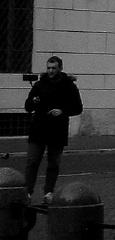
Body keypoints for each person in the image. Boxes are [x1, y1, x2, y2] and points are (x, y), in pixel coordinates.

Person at [21, 55, 82, 203]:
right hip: (39, 128)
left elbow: (78, 107)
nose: (50, 71)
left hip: (57, 130)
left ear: (60, 68)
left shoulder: (69, 86)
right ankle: (27, 192)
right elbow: (28, 107)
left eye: (54, 68)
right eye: (48, 68)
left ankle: (48, 192)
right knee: (32, 161)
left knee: (53, 163)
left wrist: (62, 111)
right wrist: (34, 102)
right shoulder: (39, 85)